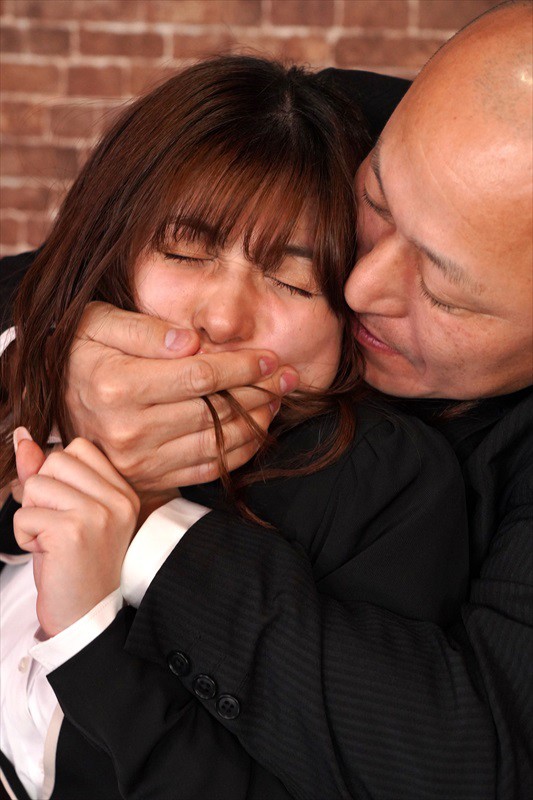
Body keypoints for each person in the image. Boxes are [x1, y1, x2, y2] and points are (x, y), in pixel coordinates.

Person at [2, 3, 532, 800]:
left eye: (443, 293)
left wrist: (138, 537)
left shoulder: (387, 488)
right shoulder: (360, 123)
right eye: (374, 207)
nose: (358, 287)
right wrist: (49, 359)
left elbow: (466, 762)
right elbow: (68, 257)